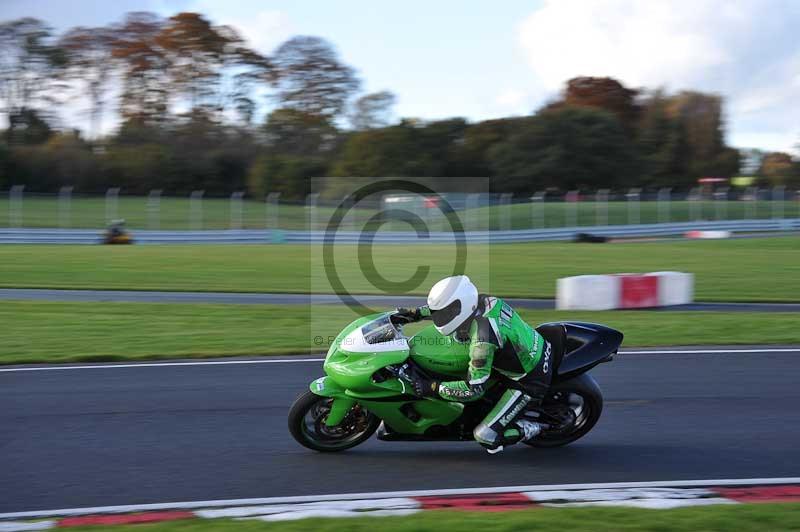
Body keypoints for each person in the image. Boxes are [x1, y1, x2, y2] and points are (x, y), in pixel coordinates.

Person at [393, 275, 553, 453]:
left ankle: (533, 428)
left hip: (528, 380)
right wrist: (414, 314)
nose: (441, 317)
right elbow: (445, 308)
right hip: (530, 346)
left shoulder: (483, 341)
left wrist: (433, 387)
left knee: (485, 436)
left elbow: (474, 389)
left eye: (445, 313)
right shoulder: (480, 300)